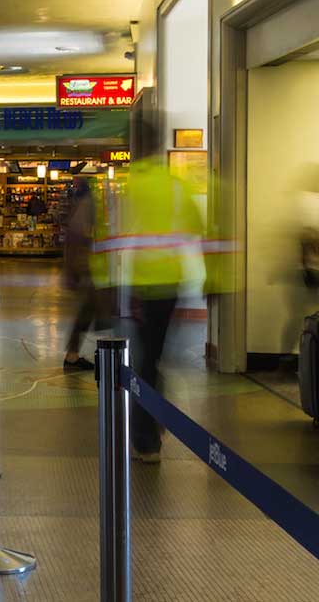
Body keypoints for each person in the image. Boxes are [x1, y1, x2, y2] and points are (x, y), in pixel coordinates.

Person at [120, 153, 203, 464]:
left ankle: (146, 436)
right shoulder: (176, 184)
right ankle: (151, 426)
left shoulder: (135, 186)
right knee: (154, 359)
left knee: (146, 363)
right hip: (171, 286)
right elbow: (196, 225)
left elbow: (120, 232)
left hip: (142, 286)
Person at [62, 177, 100, 371]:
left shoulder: (80, 205)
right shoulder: (88, 206)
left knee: (88, 310)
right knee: (88, 310)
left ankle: (73, 355)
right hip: (86, 268)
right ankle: (73, 356)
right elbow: (80, 238)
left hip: (85, 267)